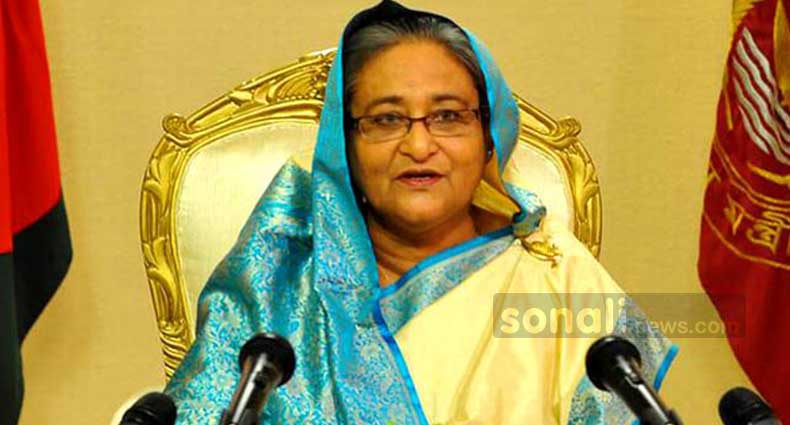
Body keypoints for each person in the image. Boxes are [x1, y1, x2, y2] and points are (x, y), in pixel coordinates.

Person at [165, 1, 677, 423]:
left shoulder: (557, 280)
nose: (418, 145)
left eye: (448, 116)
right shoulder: (277, 285)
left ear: (488, 140)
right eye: (387, 119)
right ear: (344, 147)